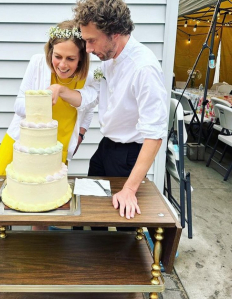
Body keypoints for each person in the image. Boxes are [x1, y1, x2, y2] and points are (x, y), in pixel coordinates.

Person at [0, 19, 93, 299]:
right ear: (50, 52)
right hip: (20, 143)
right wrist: (44, 96)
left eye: (71, 58)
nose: (62, 64)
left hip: (55, 148)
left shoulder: (89, 73)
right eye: (57, 56)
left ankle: (37, 261)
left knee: (43, 206)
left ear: (82, 57)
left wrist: (81, 134)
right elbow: (19, 104)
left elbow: (90, 104)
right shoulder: (38, 63)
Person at [49, 0, 168, 225]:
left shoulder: (144, 69)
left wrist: (130, 189)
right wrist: (61, 90)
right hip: (106, 148)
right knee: (92, 212)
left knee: (122, 220)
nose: (88, 49)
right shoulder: (107, 62)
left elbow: (154, 135)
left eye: (92, 41)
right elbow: (89, 96)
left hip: (130, 155)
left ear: (114, 32)